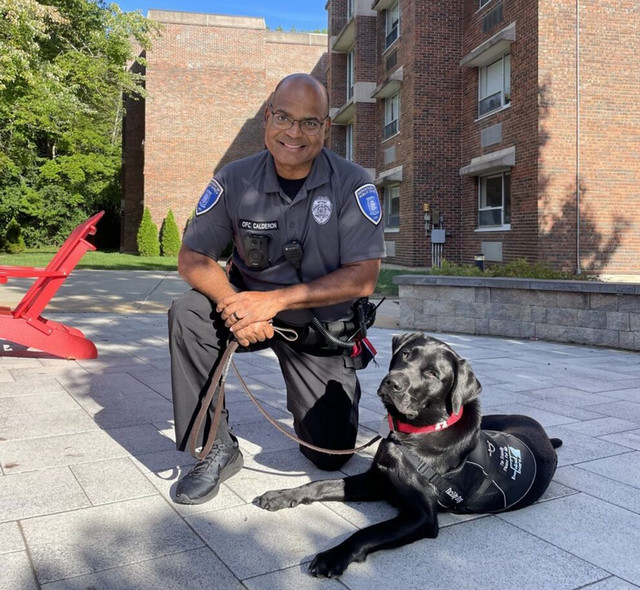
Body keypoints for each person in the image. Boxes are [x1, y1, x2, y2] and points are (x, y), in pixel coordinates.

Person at [169, 73, 385, 505]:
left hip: (320, 328)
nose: (294, 132)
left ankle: (323, 400)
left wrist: (277, 301)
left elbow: (364, 275)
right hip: (247, 310)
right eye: (284, 117)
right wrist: (234, 304)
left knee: (330, 455)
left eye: (309, 122)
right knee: (189, 313)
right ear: (268, 118)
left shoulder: (352, 183)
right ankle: (215, 448)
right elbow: (191, 258)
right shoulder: (234, 180)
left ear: (326, 128)